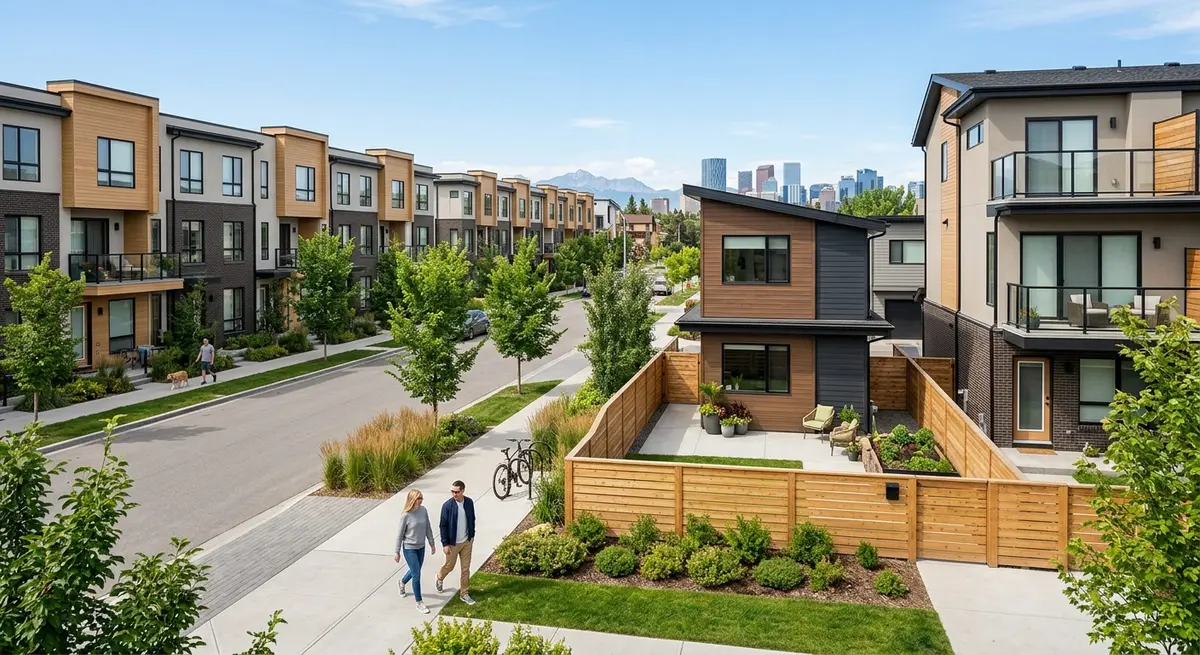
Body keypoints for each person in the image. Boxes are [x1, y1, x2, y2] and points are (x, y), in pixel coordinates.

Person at [394, 489, 436, 614]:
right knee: (417, 575)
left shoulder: (423, 511)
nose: (421, 500)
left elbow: (428, 527)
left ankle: (402, 582)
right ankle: (419, 602)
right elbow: (399, 535)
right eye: (418, 498)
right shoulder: (405, 515)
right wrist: (397, 551)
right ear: (412, 499)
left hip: (421, 547)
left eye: (421, 498)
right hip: (409, 548)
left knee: (415, 571)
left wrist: (432, 543)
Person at [435, 480, 476, 605]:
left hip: (467, 542)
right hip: (452, 544)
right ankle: (439, 577)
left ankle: (464, 593)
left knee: (465, 569)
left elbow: (472, 518)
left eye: (457, 492)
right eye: (452, 491)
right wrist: (445, 544)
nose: (454, 494)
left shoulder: (469, 502)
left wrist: (472, 535)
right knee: (449, 566)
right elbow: (443, 525)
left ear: (463, 491)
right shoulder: (447, 506)